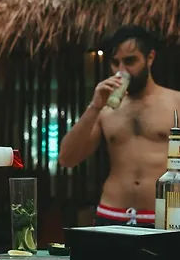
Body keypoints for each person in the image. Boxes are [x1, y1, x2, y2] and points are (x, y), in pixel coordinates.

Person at [58, 25, 180, 227]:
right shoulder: (104, 109)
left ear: (150, 58)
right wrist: (95, 107)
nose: (121, 71)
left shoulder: (175, 103)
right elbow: (67, 159)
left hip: (162, 215)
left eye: (130, 61)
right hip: (112, 212)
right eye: (115, 63)